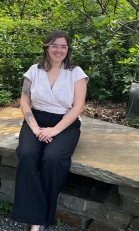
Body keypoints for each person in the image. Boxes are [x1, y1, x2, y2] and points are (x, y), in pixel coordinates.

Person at [12, 30, 89, 231]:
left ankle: (39, 219)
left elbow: (78, 107)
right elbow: (24, 101)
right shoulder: (33, 71)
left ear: (68, 49)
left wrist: (54, 130)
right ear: (47, 47)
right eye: (54, 45)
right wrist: (35, 127)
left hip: (65, 124)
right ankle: (36, 220)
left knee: (53, 158)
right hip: (35, 120)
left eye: (63, 46)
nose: (59, 50)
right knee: (27, 154)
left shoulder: (76, 73)